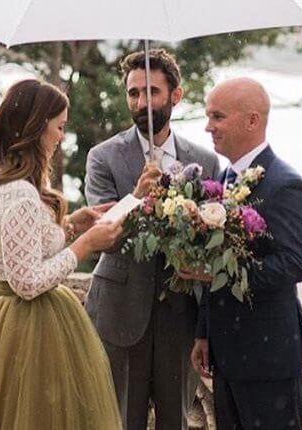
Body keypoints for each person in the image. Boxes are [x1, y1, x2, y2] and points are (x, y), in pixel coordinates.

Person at [0, 79, 124, 430]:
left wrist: (73, 224)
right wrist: (86, 245)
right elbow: (28, 282)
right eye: (59, 127)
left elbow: (26, 246)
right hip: (30, 327)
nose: (61, 137)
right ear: (36, 127)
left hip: (1, 317)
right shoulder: (21, 196)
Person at [84, 49, 220, 430]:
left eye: (152, 92)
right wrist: (136, 195)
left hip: (181, 317)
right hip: (119, 312)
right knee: (119, 421)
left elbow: (212, 246)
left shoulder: (205, 161)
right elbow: (104, 237)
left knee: (174, 422)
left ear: (175, 96)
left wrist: (206, 327)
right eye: (133, 93)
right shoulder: (103, 157)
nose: (141, 103)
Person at [185, 77, 302, 430]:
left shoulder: (284, 183)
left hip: (269, 356)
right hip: (226, 355)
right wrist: (204, 330)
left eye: (217, 116)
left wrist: (218, 274)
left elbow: (294, 264)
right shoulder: (223, 180)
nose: (207, 126)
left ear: (252, 120)